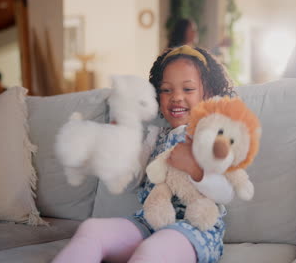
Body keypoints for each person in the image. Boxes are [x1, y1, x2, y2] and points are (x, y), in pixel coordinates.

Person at [52, 45, 234, 263]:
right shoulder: (155, 135)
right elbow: (132, 183)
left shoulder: (213, 134)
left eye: (188, 89)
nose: (176, 97)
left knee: (153, 250)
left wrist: (195, 170)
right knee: (91, 230)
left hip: (196, 227)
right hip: (149, 222)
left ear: (209, 93)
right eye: (167, 90)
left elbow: (226, 193)